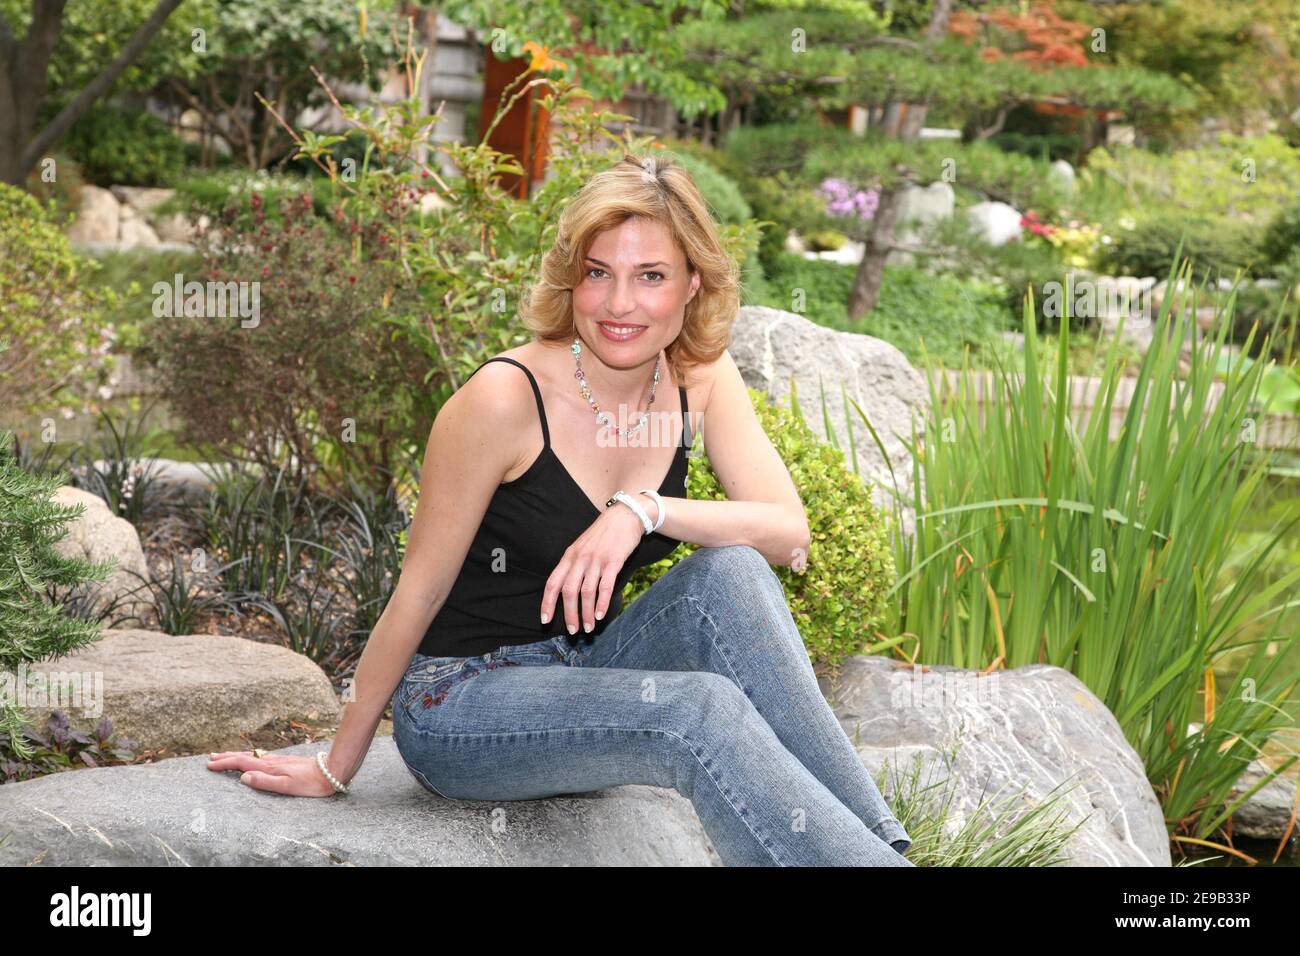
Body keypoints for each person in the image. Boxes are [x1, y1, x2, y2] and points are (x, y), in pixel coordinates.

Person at [208, 152, 914, 866]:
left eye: (651, 277)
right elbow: (417, 592)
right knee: (698, 710)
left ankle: (886, 851)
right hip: (461, 701)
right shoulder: (504, 399)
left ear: (692, 283)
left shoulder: (698, 375)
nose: (619, 304)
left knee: (732, 570)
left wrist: (642, 509)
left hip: (581, 672)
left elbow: (786, 533)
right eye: (598, 272)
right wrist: (338, 762)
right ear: (572, 276)